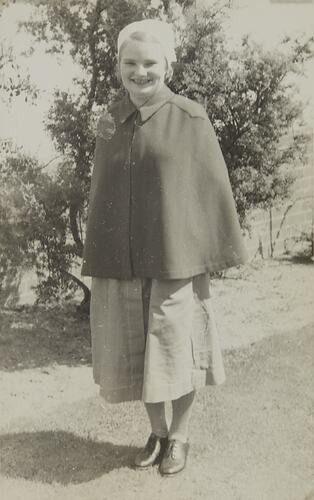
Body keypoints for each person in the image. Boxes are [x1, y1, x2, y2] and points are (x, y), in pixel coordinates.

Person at [81, 19, 248, 476]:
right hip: (124, 260)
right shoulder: (109, 120)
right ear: (118, 66)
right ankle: (156, 433)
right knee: (136, 352)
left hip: (175, 258)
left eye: (150, 63)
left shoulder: (190, 117)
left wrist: (208, 250)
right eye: (130, 63)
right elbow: (102, 190)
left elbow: (212, 189)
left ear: (168, 64)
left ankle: (181, 436)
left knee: (176, 350)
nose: (140, 72)